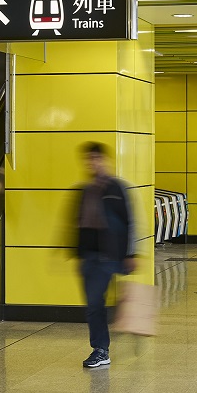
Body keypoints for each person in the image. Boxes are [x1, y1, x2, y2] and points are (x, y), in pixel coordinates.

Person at [73, 142, 135, 369]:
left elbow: (130, 221)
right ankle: (102, 346)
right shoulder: (85, 190)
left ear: (104, 160)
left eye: (96, 159)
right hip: (88, 257)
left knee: (95, 303)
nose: (93, 163)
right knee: (93, 304)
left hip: (107, 257)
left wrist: (131, 253)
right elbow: (76, 223)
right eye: (89, 159)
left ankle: (101, 349)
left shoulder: (117, 188)